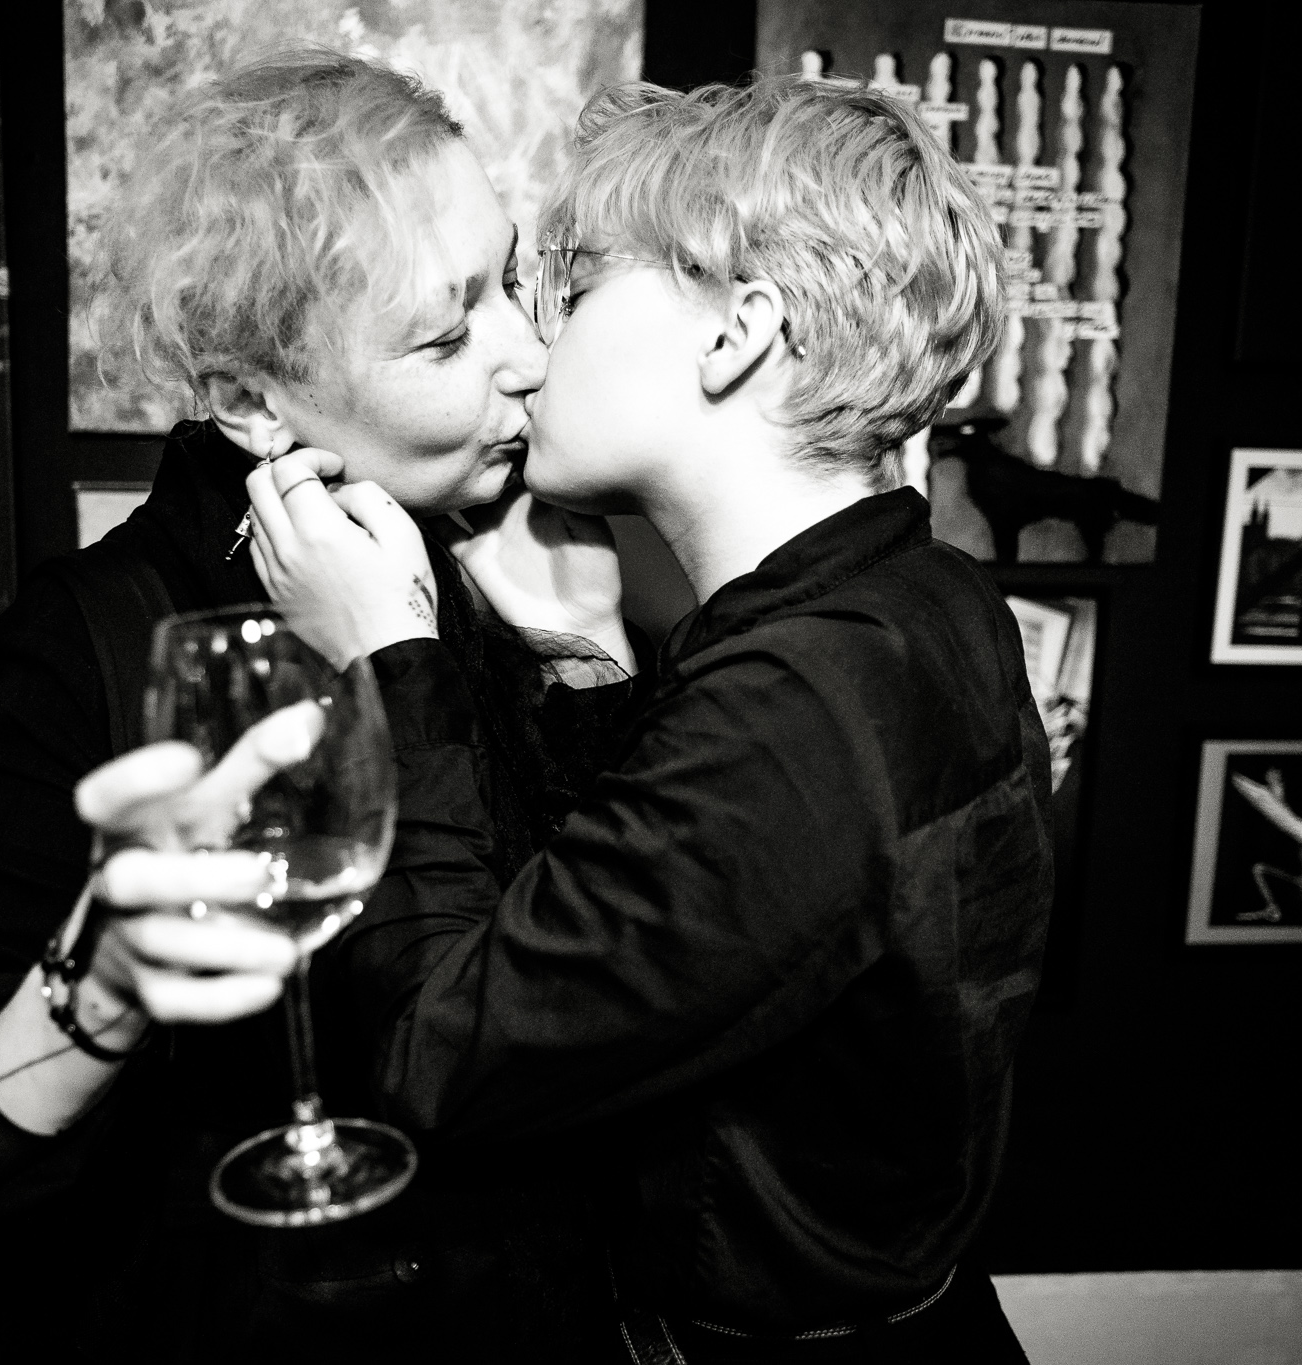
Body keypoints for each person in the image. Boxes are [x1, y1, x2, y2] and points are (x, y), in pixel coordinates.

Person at [252, 75, 1054, 1360]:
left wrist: (388, 663)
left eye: (571, 286)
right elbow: (696, 930)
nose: (533, 346)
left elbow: (433, 1054)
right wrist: (588, 664)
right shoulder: (922, 600)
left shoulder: (796, 698)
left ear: (735, 333)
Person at [0, 50, 637, 1362]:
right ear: (248, 401)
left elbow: (596, 1011)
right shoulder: (90, 642)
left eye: (511, 284)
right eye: (445, 333)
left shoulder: (532, 557)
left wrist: (593, 670)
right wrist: (102, 992)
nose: (527, 355)